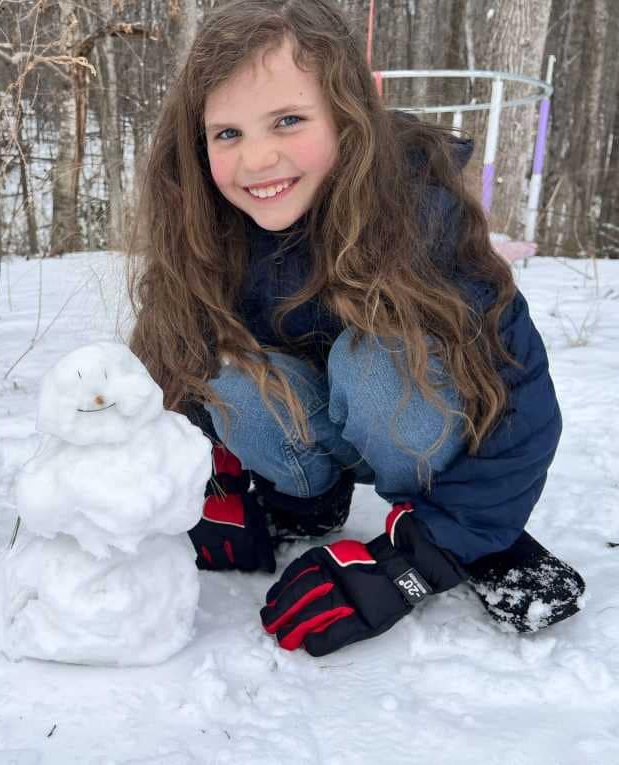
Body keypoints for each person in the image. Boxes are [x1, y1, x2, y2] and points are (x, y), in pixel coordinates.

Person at [127, 0, 584, 655]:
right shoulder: (207, 224)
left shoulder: (421, 209)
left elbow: (523, 401)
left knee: (373, 362)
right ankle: (305, 502)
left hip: (422, 435)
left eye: (287, 120)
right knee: (230, 376)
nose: (257, 159)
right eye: (227, 133)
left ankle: (464, 528)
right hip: (315, 433)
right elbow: (172, 368)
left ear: (346, 114)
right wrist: (216, 477)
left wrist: (418, 562)